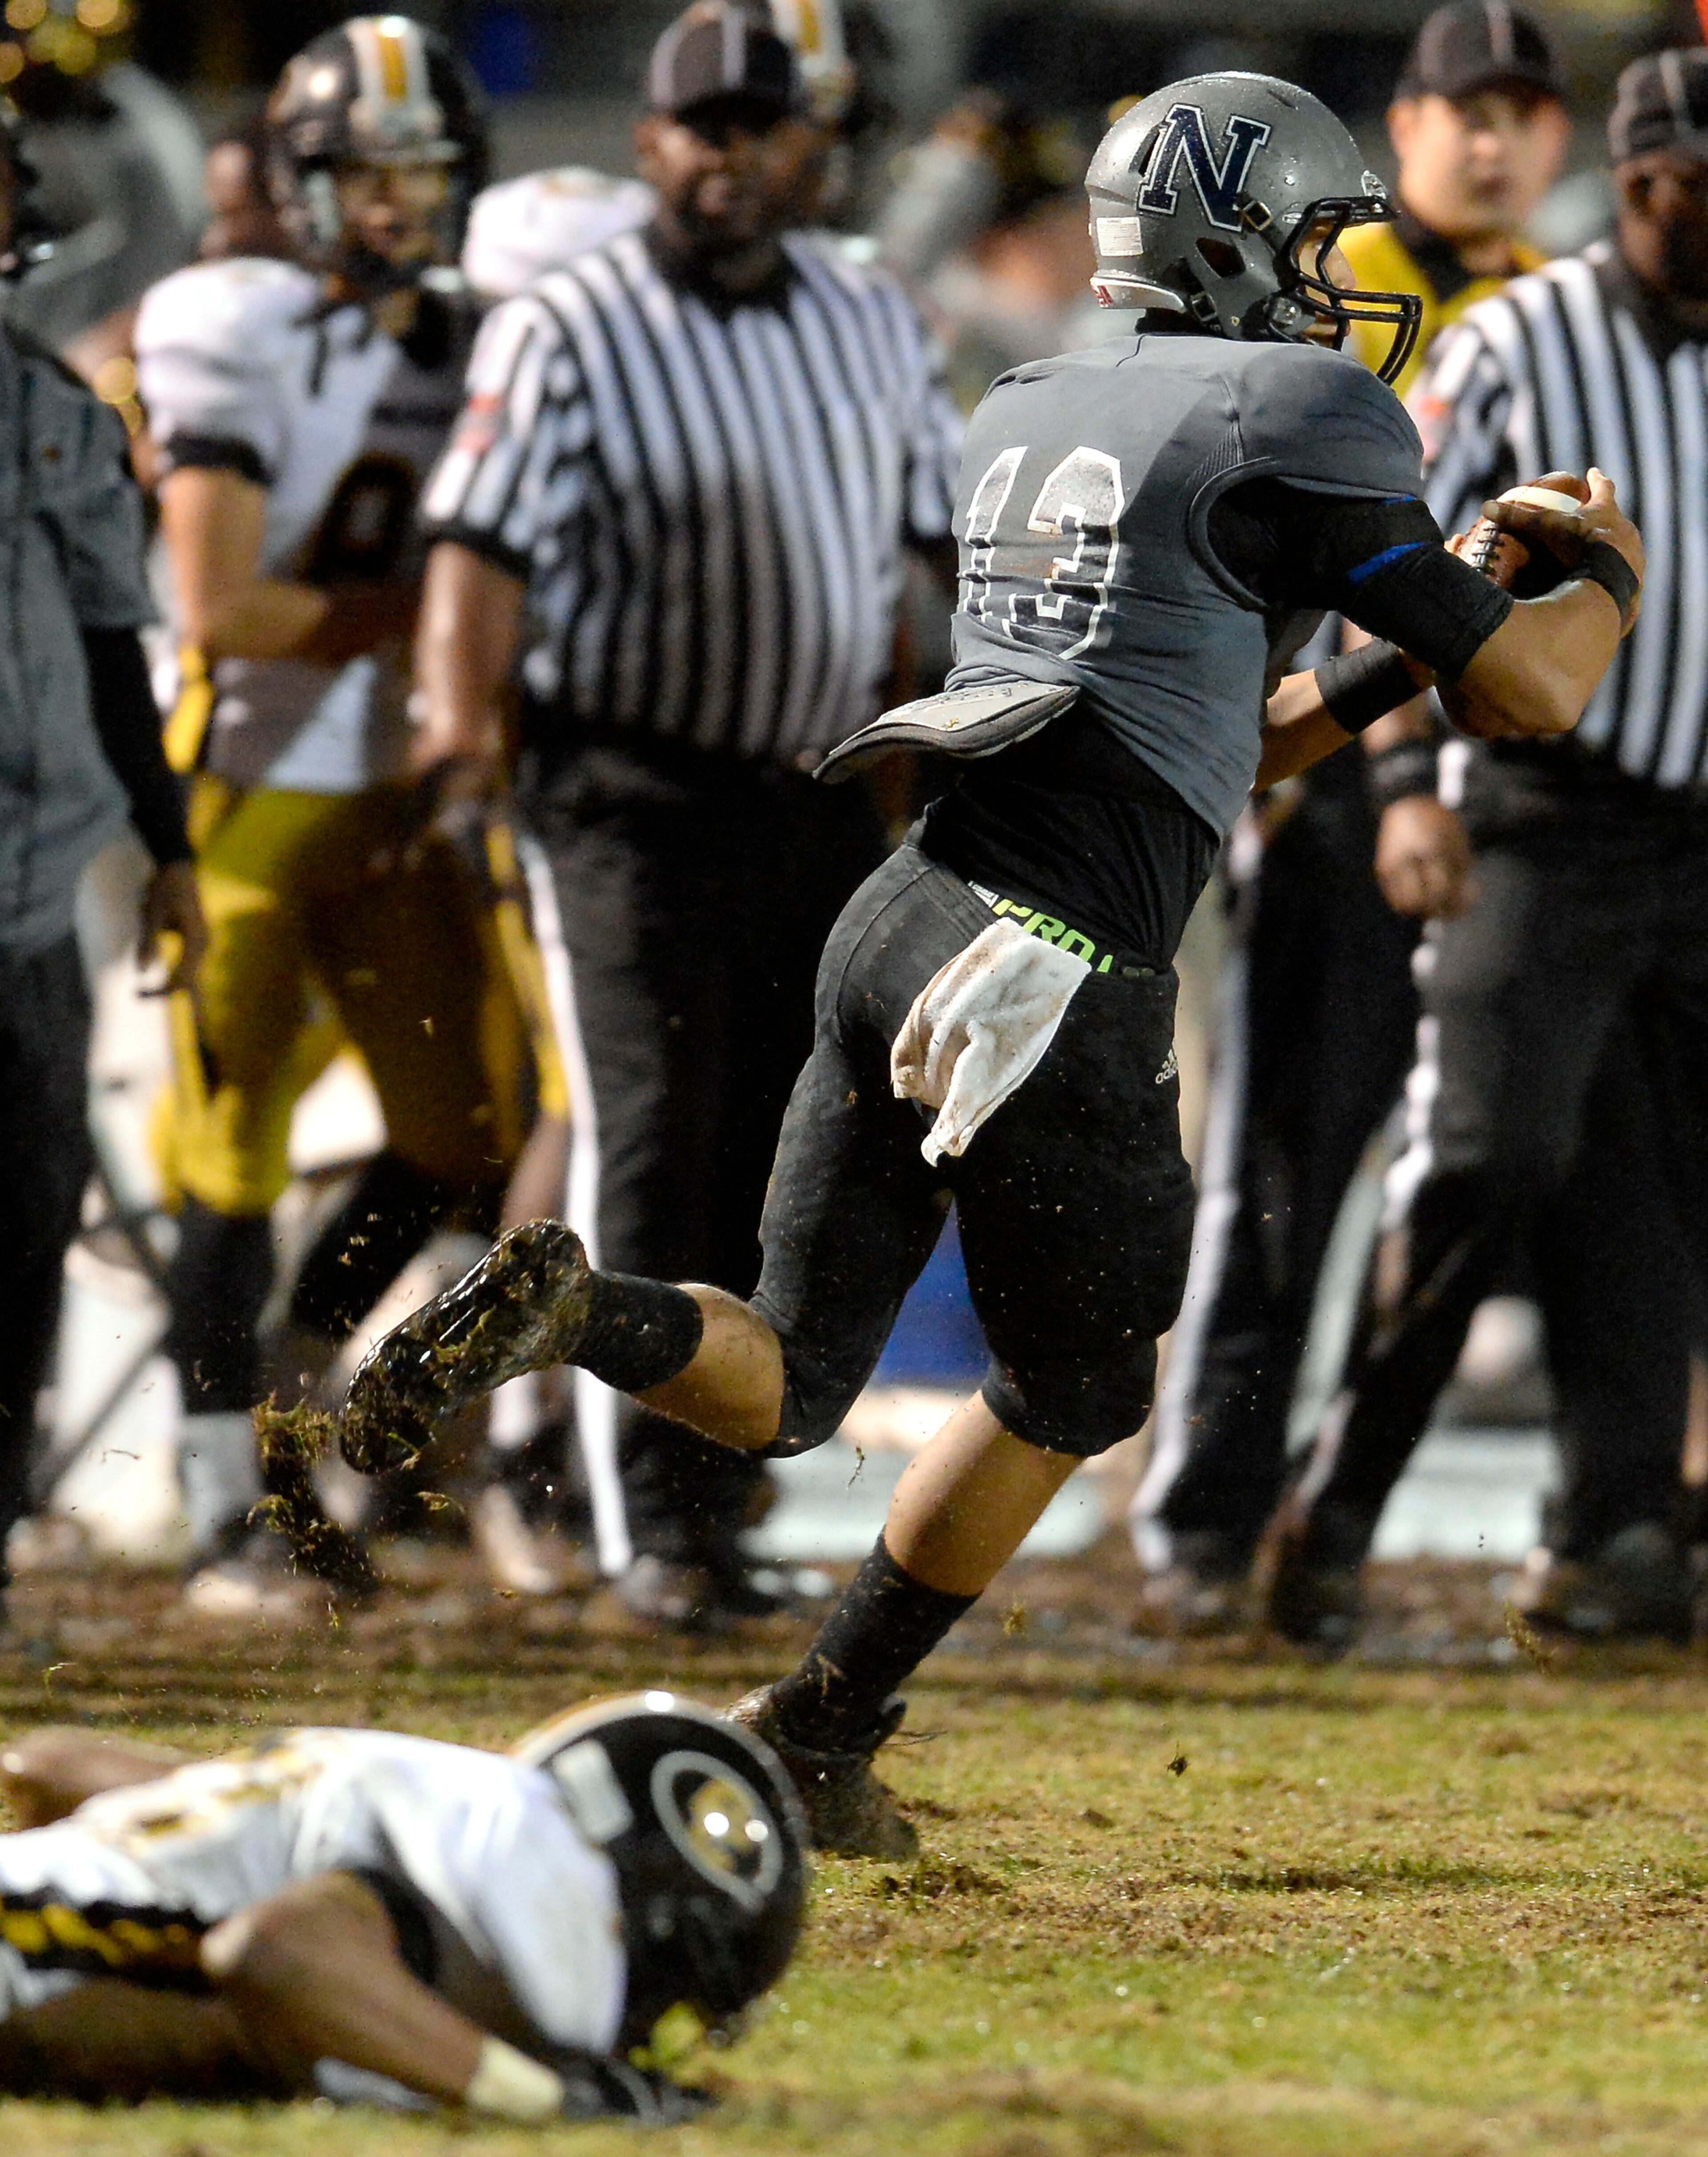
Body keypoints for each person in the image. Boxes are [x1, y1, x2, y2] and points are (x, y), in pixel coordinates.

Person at [347, 71, 1639, 1853]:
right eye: (1321, 233)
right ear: (1244, 233)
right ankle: (818, 1727)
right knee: (1081, 1387)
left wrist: (1433, 618)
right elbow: (1539, 694)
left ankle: (579, 1309)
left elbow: (1238, 732)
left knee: (794, 1381)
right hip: (1056, 960)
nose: (1343, 270)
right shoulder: (1304, 399)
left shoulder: (1039, 395)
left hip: (902, 914)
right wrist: (1600, 582)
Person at [412, 0, 963, 1628]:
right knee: (648, 1143)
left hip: (813, 789)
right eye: (698, 130)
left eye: (759, 128)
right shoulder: (568, 325)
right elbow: (477, 550)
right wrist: (460, 742)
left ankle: (714, 1504)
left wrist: (951, 746)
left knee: (782, 1150)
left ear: (811, 142)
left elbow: (926, 556)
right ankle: (636, 1514)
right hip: (627, 793)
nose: (728, 159)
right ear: (649, 145)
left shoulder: (871, 316)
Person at [1128, 0, 1571, 1631]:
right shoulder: (1324, 280)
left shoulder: (1559, 303)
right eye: (1471, 106)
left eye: (1529, 110)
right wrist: (1366, 771)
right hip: (1331, 779)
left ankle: (1336, 1522)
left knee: (1473, 1184)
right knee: (1278, 1182)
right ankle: (1199, 1520)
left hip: (1519, 811)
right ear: (1408, 122)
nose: (1497, 137)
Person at [1259, 46, 1708, 1648]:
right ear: (1653, 180)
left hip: (1694, 833)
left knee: (1656, 1190)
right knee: (1485, 1164)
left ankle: (1616, 1533)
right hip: (1540, 817)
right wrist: (1408, 793)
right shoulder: (1526, 336)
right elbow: (1382, 563)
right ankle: (1333, 1517)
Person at [135, 17, 535, 1616]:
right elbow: (221, 603)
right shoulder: (225, 321)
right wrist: (429, 618)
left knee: (466, 1136)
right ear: (301, 183)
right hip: (239, 788)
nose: (398, 203)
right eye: (367, 172)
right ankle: (216, 1503)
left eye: (424, 171)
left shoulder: (490, 333)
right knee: (223, 1156)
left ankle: (291, 1417)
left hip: (387, 794)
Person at [0, 1693, 803, 2119]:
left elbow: (44, 1765)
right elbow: (278, 1953)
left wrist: (206, 1804)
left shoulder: (421, 1786)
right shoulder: (523, 1867)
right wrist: (548, 2097)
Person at [0, 99, 205, 1640]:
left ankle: (2, 1517)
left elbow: (108, 649)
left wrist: (171, 844)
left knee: (24, 1202)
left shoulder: (54, 405)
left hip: (27, 890)